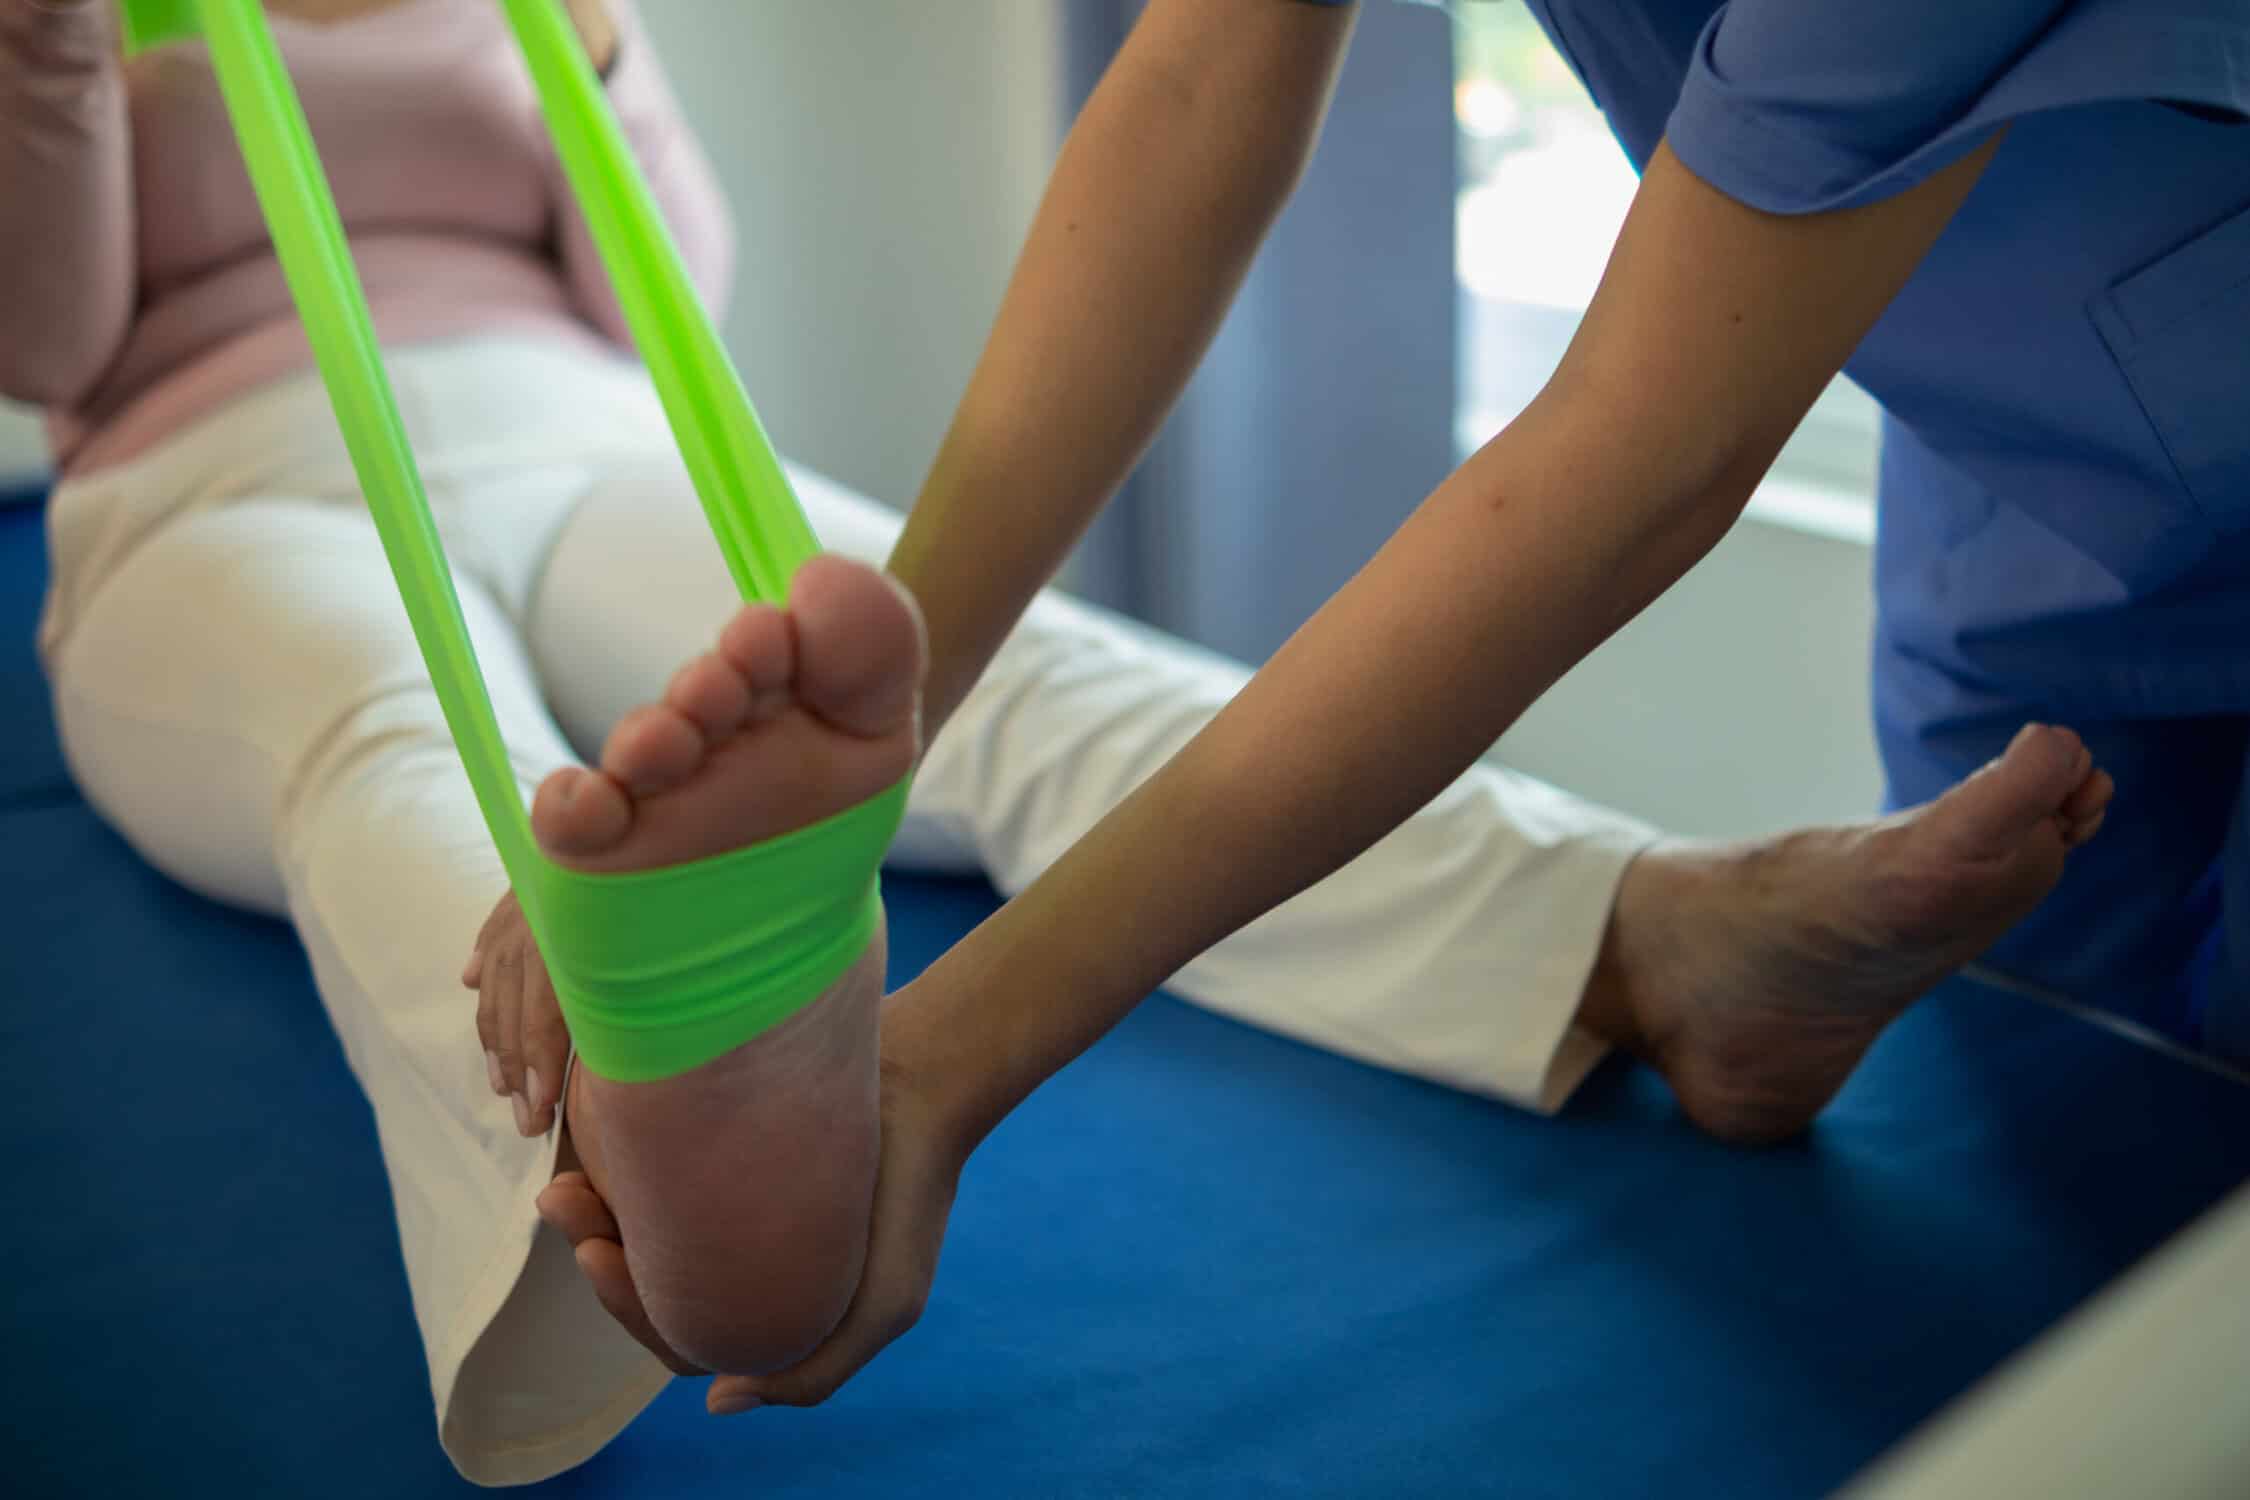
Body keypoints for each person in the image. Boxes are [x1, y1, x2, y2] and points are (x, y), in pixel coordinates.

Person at [0, 0, 2106, 1482]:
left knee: (999, 679)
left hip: (577, 428)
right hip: (217, 480)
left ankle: (1635, 934)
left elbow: (673, 286)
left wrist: (608, 50)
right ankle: (636, 1153)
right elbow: (48, 348)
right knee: (401, 743)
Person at [515, 0, 2244, 1424]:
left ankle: (1663, 938)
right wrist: (856, 748)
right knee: (2067, 1163)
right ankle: (1682, 955)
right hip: (2033, 444)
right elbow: (1199, 81)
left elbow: (1636, 450)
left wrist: (947, 1064)